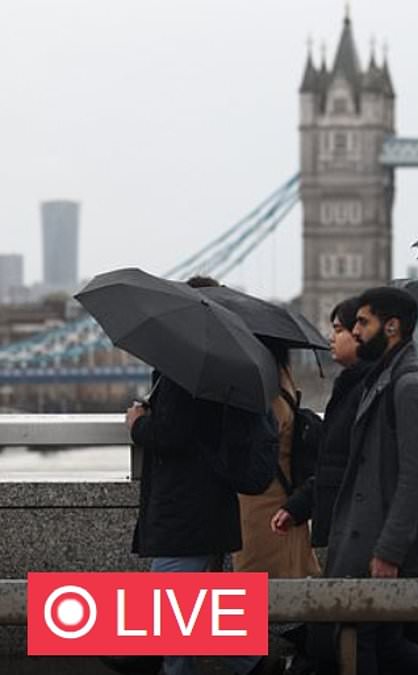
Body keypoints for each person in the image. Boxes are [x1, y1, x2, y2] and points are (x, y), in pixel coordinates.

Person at [122, 275, 284, 675]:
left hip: (184, 511)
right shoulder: (225, 368)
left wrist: (138, 424)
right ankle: (259, 665)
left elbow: (173, 435)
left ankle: (257, 665)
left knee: (171, 616)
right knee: (200, 612)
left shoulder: (184, 371)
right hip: (211, 507)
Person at [324, 287, 418, 675]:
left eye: (364, 322)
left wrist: (389, 550)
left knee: (370, 649)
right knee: (384, 646)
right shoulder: (386, 379)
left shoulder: (410, 386)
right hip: (372, 540)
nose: (357, 330)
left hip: (384, 548)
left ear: (393, 326)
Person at [270, 296, 369, 675]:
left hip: (364, 528)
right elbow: (336, 463)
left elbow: (356, 466)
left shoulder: (372, 389)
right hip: (346, 522)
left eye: (341, 329)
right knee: (380, 637)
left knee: (371, 635)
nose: (333, 337)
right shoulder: (349, 386)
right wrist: (298, 506)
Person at [234, 340, 321, 578]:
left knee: (260, 582)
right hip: (279, 497)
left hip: (264, 505)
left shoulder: (267, 391)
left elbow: (259, 443)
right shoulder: (281, 377)